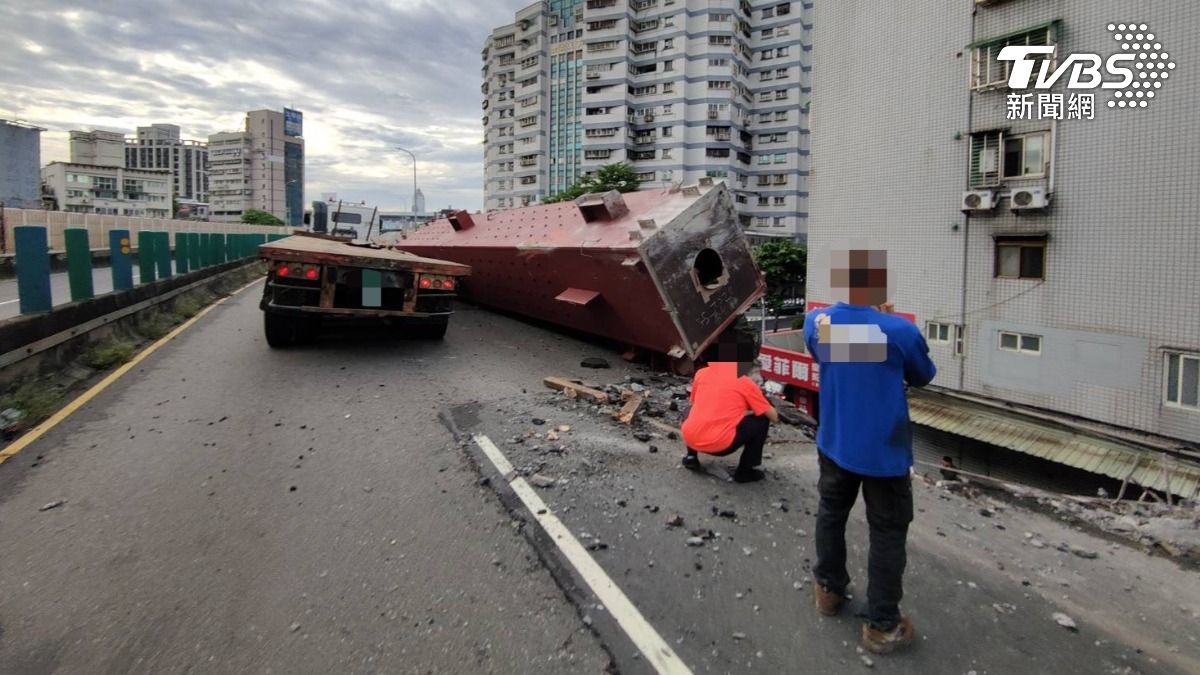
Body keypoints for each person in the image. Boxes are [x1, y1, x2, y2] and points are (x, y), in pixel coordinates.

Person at [802, 248, 936, 655]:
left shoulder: (816, 323)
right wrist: (886, 320)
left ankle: (828, 591)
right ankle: (881, 624)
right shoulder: (898, 332)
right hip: (883, 454)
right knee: (888, 533)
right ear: (879, 286)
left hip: (835, 442)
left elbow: (831, 353)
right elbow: (922, 376)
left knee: (831, 513)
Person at [680, 335, 779, 483]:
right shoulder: (745, 383)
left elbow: (695, 401)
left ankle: (691, 457)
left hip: (691, 437)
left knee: (691, 410)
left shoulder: (701, 374)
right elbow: (774, 417)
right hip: (721, 446)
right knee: (762, 420)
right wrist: (756, 408)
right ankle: (745, 471)